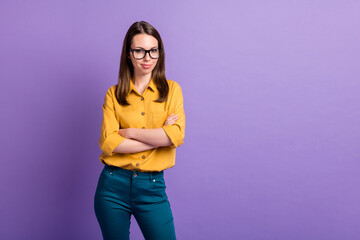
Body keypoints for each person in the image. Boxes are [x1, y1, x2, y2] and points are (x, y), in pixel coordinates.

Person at [94, 21, 185, 240]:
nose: (147, 58)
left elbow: (176, 136)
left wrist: (130, 132)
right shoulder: (113, 94)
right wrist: (159, 136)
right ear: (128, 54)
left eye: (153, 51)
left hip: (152, 188)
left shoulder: (172, 90)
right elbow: (109, 143)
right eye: (139, 51)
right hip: (112, 186)